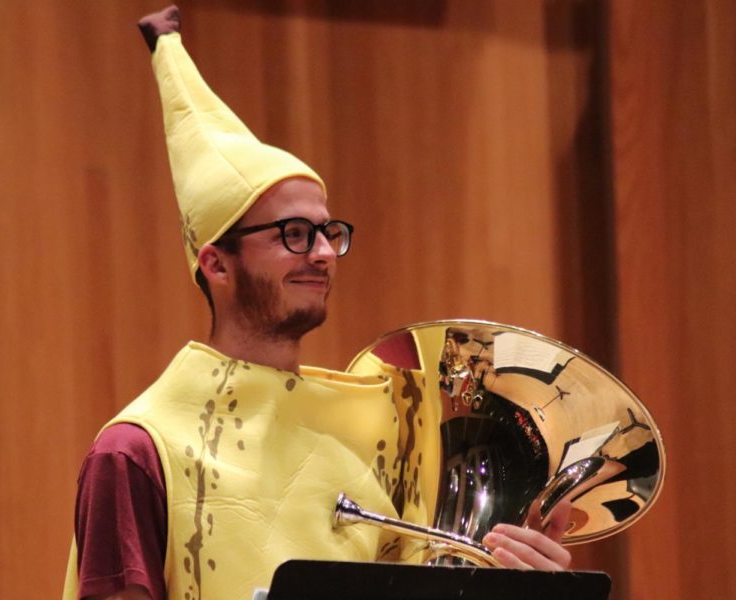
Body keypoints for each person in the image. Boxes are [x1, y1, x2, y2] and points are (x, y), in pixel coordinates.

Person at [63, 6, 572, 600]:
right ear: (216, 263)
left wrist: (519, 587)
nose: (325, 253)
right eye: (293, 235)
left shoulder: (382, 441)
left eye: (330, 232)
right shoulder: (135, 451)